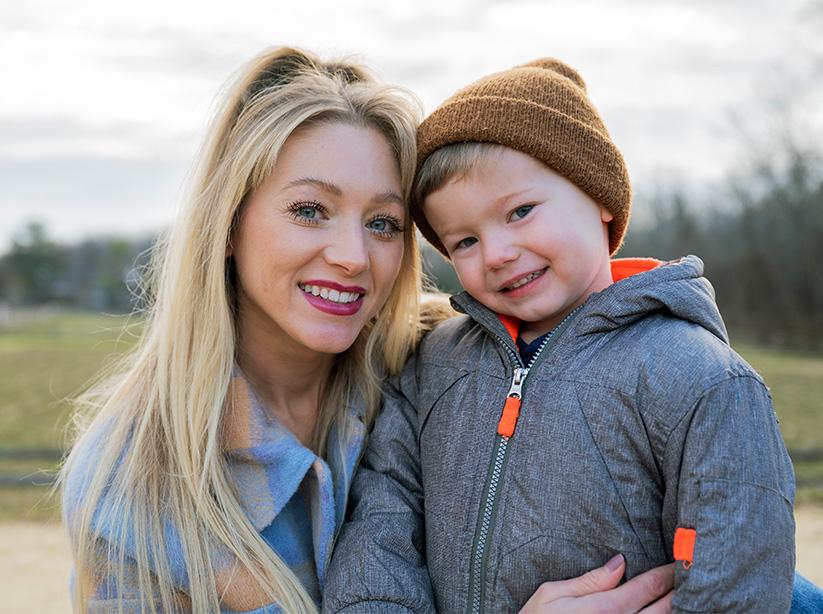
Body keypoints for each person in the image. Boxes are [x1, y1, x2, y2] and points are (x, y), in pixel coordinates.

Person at [59, 48, 679, 614]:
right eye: (310, 210)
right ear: (227, 224)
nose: (353, 256)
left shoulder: (450, 368)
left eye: (383, 223)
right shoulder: (133, 490)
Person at [323, 58, 801, 612]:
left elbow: (737, 588)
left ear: (598, 196)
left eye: (520, 211)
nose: (497, 253)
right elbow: (381, 536)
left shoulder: (700, 380)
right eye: (464, 241)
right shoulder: (431, 367)